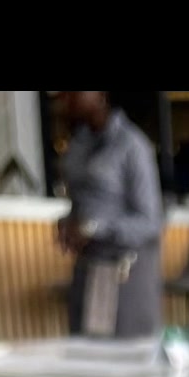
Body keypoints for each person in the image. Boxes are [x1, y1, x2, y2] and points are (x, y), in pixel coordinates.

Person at [55, 93, 163, 338]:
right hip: (88, 268)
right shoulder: (77, 145)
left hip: (125, 269)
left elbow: (150, 221)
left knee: (123, 353)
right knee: (85, 350)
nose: (67, 98)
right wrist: (69, 224)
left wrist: (93, 228)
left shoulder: (132, 145)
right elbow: (83, 203)